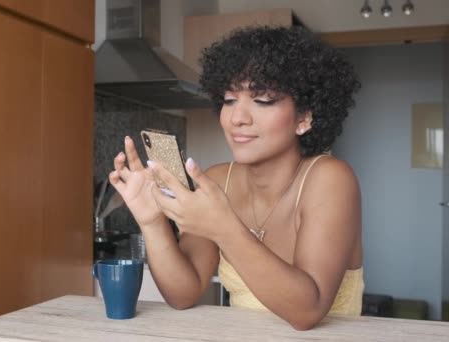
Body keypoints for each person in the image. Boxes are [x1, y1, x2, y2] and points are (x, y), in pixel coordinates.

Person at [108, 26, 362, 330]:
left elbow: (308, 310)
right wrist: (151, 222)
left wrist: (224, 228)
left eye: (263, 100)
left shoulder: (330, 179)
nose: (237, 118)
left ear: (304, 118)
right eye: (229, 100)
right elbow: (182, 293)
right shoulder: (217, 180)